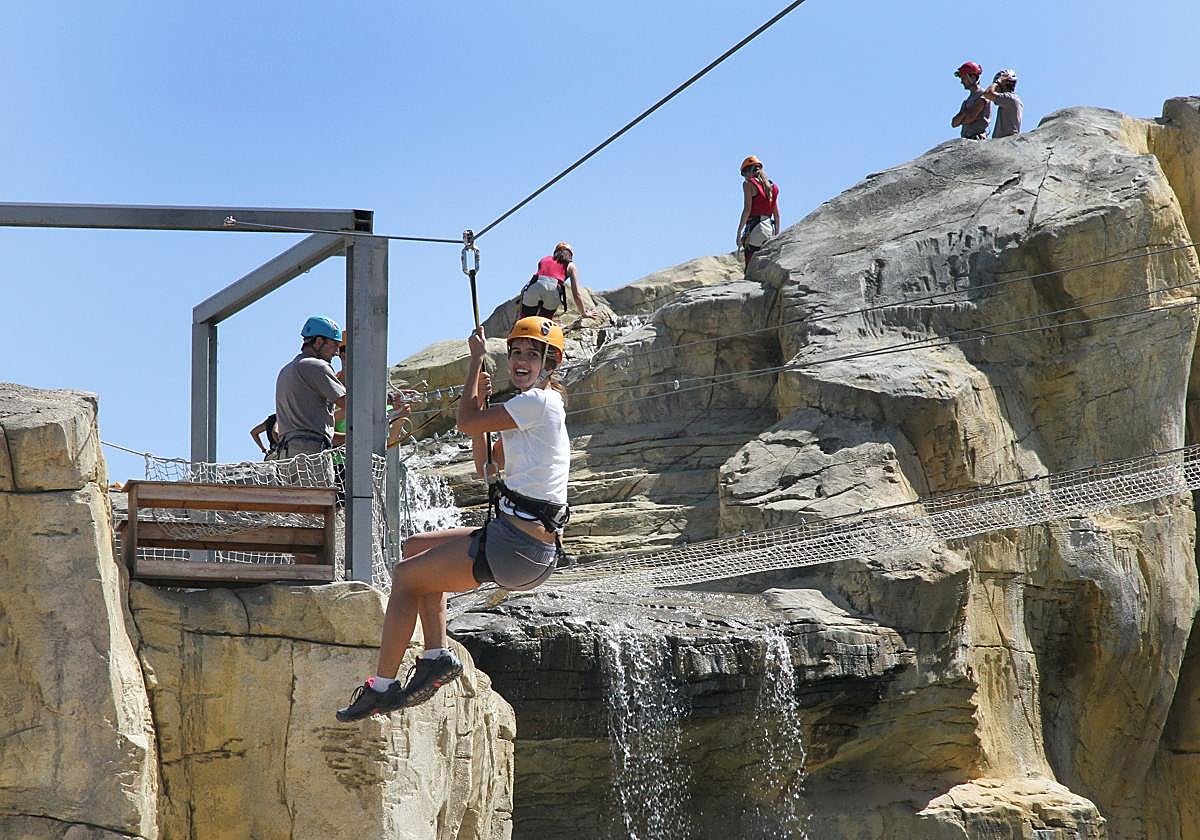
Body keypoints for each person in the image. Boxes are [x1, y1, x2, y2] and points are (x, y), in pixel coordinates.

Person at [336, 316, 571, 721]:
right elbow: (485, 467)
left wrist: (472, 364)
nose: (521, 360)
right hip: (518, 543)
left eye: (534, 355)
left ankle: (383, 687)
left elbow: (462, 422)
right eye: (516, 352)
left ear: (550, 366)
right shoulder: (525, 412)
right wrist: (481, 405)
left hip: (518, 547)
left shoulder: (537, 403)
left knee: (406, 576)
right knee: (414, 550)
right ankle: (434, 656)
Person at [269, 315, 347, 460]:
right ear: (318, 341)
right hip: (311, 456)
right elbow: (349, 403)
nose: (337, 352)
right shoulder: (316, 366)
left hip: (287, 455)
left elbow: (311, 432)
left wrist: (352, 437)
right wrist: (388, 400)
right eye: (335, 345)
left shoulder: (287, 370)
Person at [519, 242, 595, 320]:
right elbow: (576, 295)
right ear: (570, 255)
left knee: (526, 318)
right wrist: (584, 313)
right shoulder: (571, 266)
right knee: (544, 320)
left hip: (534, 287)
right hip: (553, 291)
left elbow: (540, 277)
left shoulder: (544, 259)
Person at [735, 155, 781, 269]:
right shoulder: (772, 187)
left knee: (750, 263)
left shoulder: (748, 184)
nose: (744, 177)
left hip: (755, 228)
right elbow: (776, 214)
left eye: (744, 174)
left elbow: (747, 209)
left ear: (747, 172)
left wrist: (739, 232)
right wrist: (777, 234)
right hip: (769, 228)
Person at [950, 61, 992, 140]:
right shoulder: (967, 101)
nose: (962, 82)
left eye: (963, 78)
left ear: (972, 77)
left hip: (977, 138)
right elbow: (954, 123)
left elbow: (970, 117)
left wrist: (962, 117)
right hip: (967, 138)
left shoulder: (983, 95)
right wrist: (964, 114)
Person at [982, 69, 1023, 138]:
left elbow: (987, 94)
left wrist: (997, 82)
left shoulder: (1009, 98)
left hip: (1006, 140)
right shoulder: (1011, 99)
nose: (996, 89)